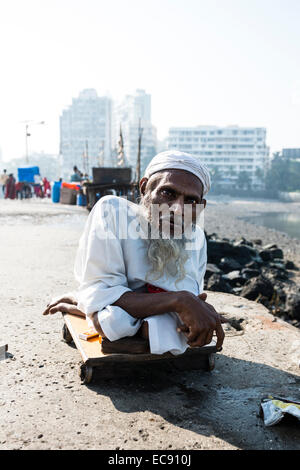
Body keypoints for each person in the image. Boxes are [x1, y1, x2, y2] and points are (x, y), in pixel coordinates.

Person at [43, 151, 226, 355]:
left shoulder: (197, 237)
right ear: (144, 187)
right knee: (113, 321)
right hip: (118, 304)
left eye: (191, 201)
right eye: (168, 193)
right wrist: (180, 300)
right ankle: (83, 302)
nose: (178, 209)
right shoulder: (112, 212)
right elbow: (105, 292)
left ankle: (82, 303)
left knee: (176, 324)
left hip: (144, 307)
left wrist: (191, 307)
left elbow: (192, 297)